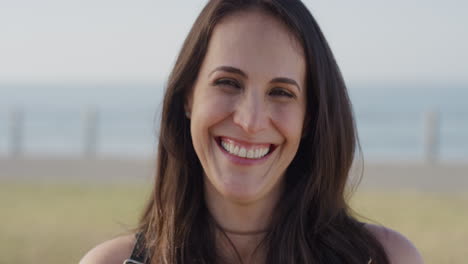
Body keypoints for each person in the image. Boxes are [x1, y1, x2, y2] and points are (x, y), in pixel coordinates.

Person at [80, 0, 424, 263]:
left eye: (281, 92)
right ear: (188, 96)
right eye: (228, 83)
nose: (251, 121)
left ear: (310, 118)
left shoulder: (388, 259)